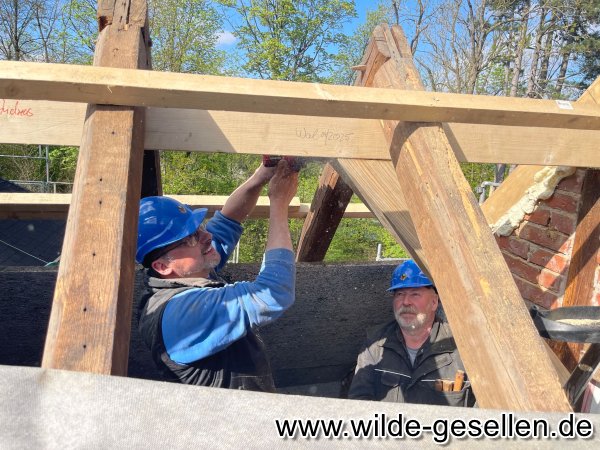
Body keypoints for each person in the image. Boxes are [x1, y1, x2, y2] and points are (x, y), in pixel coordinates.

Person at [135, 160, 298, 392]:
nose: (207, 237)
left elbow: (228, 221)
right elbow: (274, 293)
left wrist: (262, 175)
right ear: (162, 266)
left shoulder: (186, 273)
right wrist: (279, 203)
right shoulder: (182, 314)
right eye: (191, 238)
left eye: (199, 228)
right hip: (234, 414)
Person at [348, 260, 475, 407]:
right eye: (400, 294)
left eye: (415, 294)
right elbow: (359, 401)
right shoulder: (375, 344)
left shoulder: (463, 346)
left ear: (434, 302)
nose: (406, 302)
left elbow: (484, 405)